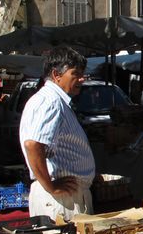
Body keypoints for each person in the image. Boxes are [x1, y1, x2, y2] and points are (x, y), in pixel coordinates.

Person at [19, 46, 95, 222]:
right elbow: (33, 144)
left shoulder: (53, 100)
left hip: (66, 196)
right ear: (56, 75)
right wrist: (51, 186)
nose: (82, 79)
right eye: (75, 74)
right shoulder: (51, 101)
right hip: (61, 201)